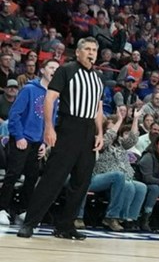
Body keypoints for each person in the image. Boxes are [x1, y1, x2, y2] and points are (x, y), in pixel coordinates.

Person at [17, 38, 105, 240]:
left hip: (88, 131)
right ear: (79, 52)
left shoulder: (98, 77)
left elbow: (98, 107)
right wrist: (49, 127)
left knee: (81, 182)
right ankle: (30, 222)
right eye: (88, 49)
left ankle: (65, 226)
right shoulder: (67, 70)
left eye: (94, 49)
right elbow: (50, 98)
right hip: (68, 127)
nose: (91, 53)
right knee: (53, 178)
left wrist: (99, 133)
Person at [0, 58, 58, 226]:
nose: (54, 70)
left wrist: (44, 143)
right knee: (13, 174)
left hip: (37, 142)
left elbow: (50, 121)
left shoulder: (53, 95)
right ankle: (2, 208)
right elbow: (15, 115)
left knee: (32, 177)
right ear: (43, 70)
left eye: (57, 68)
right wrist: (19, 137)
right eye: (51, 67)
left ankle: (23, 210)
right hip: (22, 139)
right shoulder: (29, 89)